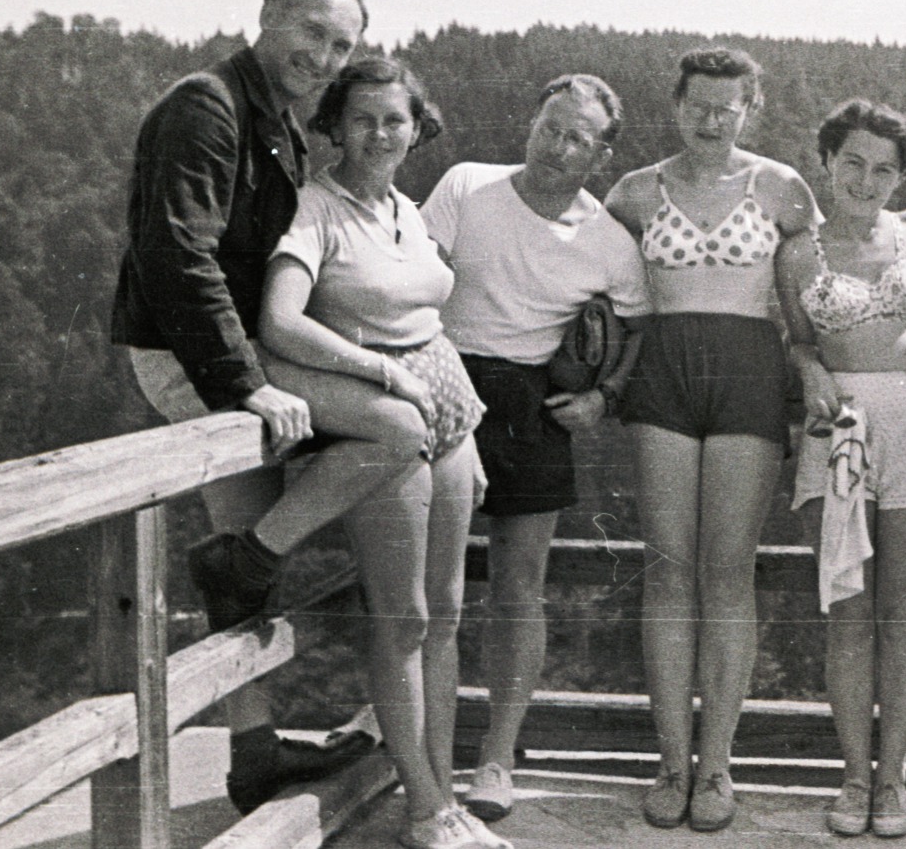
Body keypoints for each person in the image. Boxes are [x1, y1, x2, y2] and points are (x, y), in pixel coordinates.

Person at [110, 0, 379, 814]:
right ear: (265, 15)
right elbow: (176, 254)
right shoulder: (208, 106)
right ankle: (255, 562)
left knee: (238, 553)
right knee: (394, 431)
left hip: (230, 352)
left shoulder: (277, 122)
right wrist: (246, 384)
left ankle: (252, 752)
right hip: (191, 354)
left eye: (341, 45)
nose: (325, 57)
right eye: (311, 31)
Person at [257, 56, 508, 849]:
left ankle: (443, 793)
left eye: (393, 119)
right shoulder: (314, 208)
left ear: (415, 126)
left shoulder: (406, 208)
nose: (378, 134)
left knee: (447, 617)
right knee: (403, 619)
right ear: (334, 125)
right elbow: (280, 321)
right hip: (385, 410)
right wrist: (377, 370)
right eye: (361, 118)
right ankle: (425, 807)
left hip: (447, 406)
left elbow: (426, 308)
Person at [419, 75, 650, 825]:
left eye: (578, 138)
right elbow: (413, 282)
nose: (557, 147)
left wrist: (605, 396)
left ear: (601, 152)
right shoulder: (466, 186)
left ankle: (496, 755)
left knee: (519, 589)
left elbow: (638, 326)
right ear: (532, 123)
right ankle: (418, 748)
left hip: (531, 404)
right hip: (442, 381)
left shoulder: (608, 241)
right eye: (550, 127)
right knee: (428, 588)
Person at [604, 48, 817, 832]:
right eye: (698, 103)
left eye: (728, 106)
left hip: (748, 376)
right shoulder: (632, 192)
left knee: (728, 572)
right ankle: (669, 760)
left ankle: (717, 765)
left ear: (750, 108)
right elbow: (595, 293)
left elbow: (806, 302)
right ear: (676, 103)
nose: (711, 118)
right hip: (662, 376)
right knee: (668, 569)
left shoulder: (782, 188)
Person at [776, 99, 906, 838]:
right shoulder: (799, 250)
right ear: (827, 161)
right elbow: (797, 338)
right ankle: (853, 775)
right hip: (839, 431)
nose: (866, 178)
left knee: (904, 613)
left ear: (903, 176)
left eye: (883, 168)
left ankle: (894, 780)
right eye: (852, 162)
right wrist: (806, 370)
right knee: (848, 617)